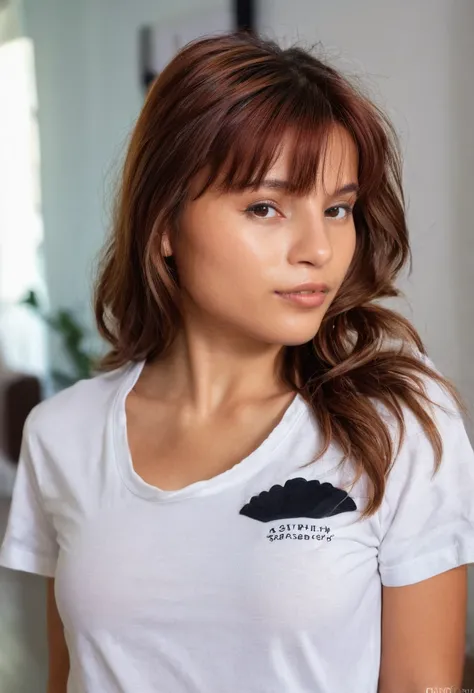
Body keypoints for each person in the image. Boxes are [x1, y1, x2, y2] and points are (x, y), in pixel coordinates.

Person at [1, 30, 474, 693]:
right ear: (163, 224)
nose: (319, 248)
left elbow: (425, 684)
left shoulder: (396, 423)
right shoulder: (62, 434)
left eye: (338, 207)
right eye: (265, 207)